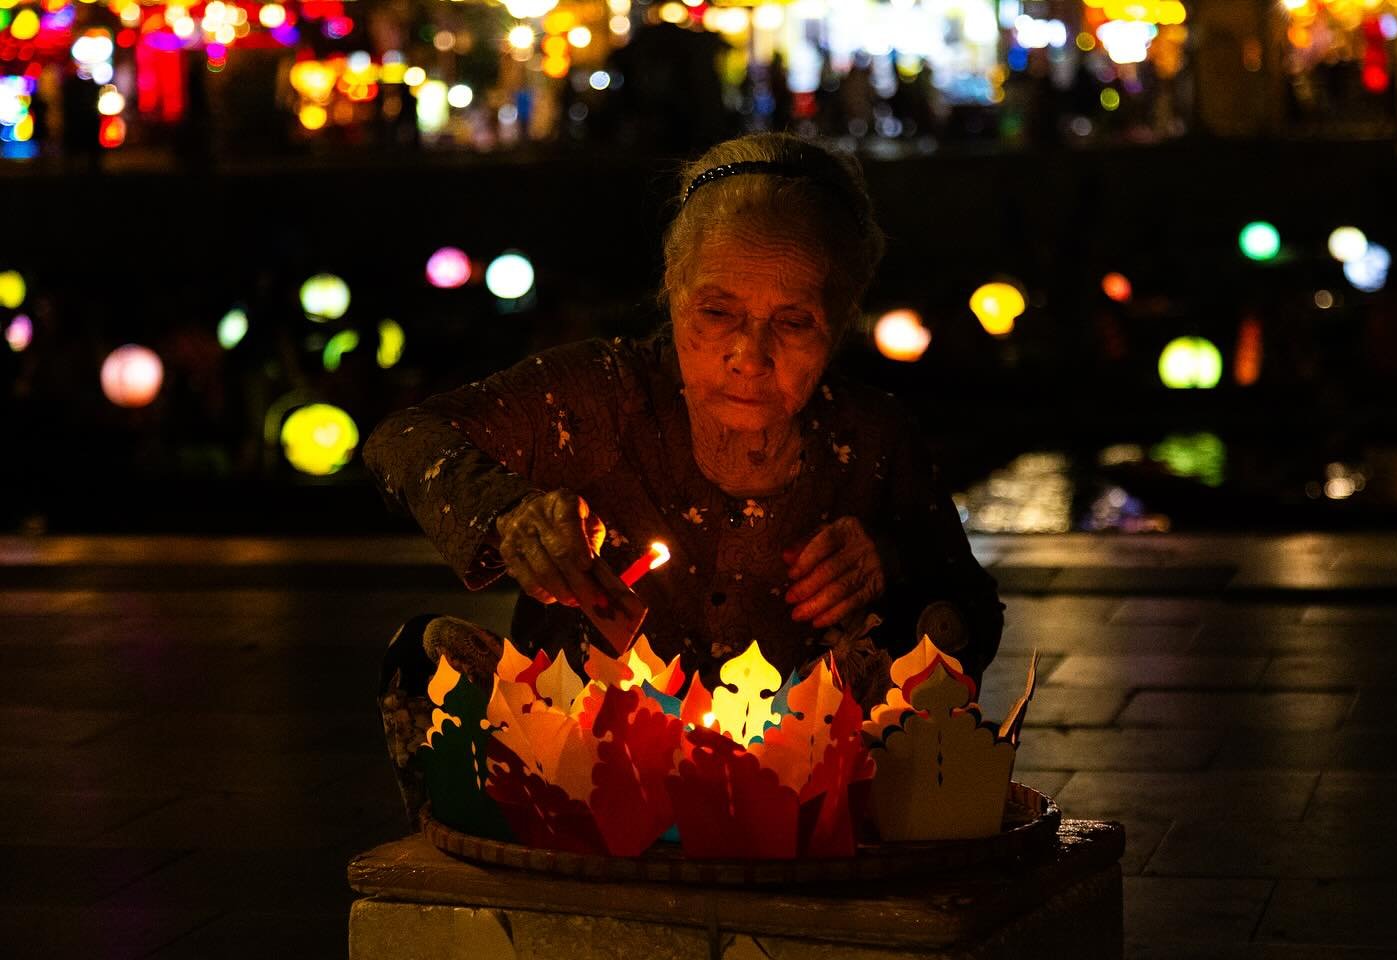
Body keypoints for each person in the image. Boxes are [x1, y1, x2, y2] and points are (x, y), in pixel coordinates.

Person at [364, 133, 1003, 819]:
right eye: (717, 312)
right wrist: (510, 513)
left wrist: (892, 567)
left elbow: (971, 620)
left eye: (793, 322)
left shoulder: (871, 436)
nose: (749, 355)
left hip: (789, 795)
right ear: (672, 286)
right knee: (425, 658)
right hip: (585, 779)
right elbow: (401, 438)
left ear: (843, 317)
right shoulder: (598, 397)